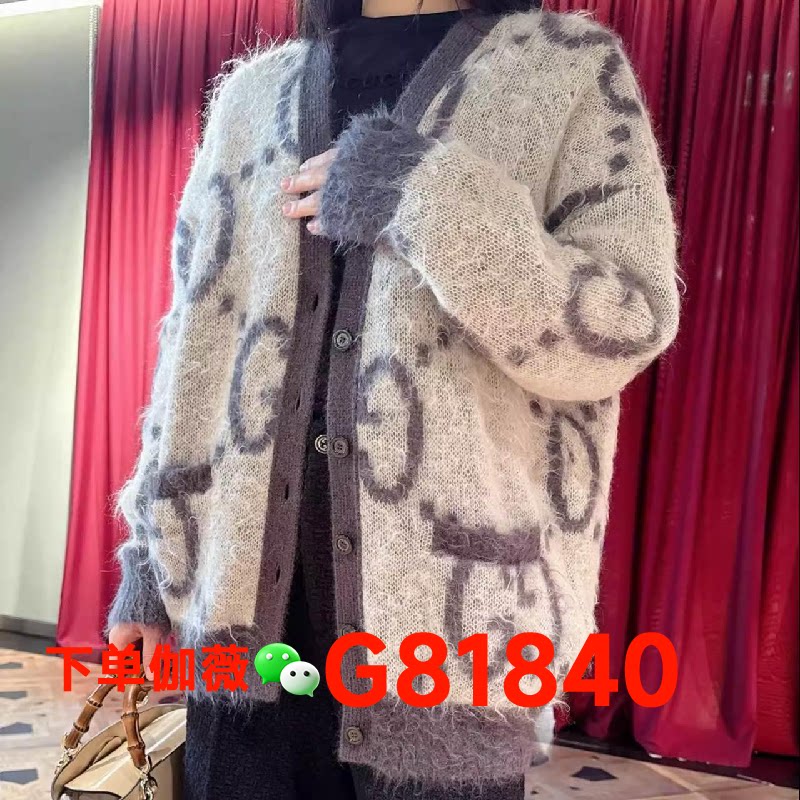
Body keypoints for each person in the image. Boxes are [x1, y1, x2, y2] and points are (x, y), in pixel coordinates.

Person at [106, 0, 681, 797]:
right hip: (240, 610)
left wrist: (428, 197)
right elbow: (194, 346)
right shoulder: (254, 94)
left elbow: (624, 324)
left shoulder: (566, 69)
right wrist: (149, 557)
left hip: (453, 623)